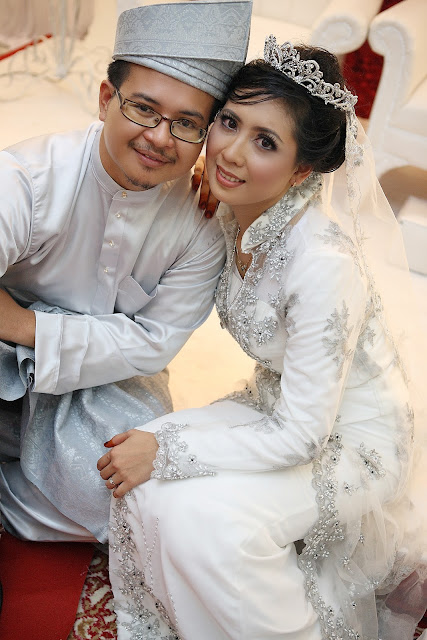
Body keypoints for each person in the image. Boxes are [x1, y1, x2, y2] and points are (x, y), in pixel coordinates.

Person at [99, 38, 427, 640]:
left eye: (266, 142)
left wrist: (167, 454)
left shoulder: (322, 262)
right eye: (229, 122)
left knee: (208, 520)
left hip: (351, 442)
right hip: (280, 403)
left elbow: (304, 435)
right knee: (139, 477)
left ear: (303, 171)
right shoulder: (235, 210)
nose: (230, 152)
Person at [0, 0, 252, 545]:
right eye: (143, 109)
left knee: (139, 496)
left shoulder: (203, 221)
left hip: (103, 382)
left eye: (186, 123)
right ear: (104, 99)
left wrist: (25, 325)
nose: (160, 137)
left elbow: (152, 344)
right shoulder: (27, 179)